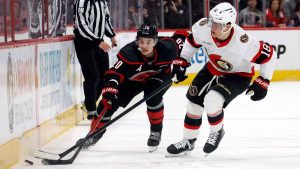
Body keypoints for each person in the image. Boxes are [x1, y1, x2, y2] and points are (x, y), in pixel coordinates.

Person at [166, 2, 277, 157]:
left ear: (228, 25)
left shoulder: (244, 42)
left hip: (238, 76)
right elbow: (192, 41)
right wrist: (182, 60)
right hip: (212, 69)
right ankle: (188, 141)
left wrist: (264, 81)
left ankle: (217, 132)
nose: (212, 27)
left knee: (212, 101)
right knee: (193, 105)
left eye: (217, 24)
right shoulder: (204, 28)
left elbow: (270, 55)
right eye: (212, 21)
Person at [79, 23, 190, 152]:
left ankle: (156, 132)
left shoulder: (168, 47)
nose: (144, 46)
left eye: (148, 42)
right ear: (137, 41)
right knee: (107, 104)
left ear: (155, 42)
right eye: (141, 42)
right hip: (132, 81)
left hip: (159, 77)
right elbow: (114, 72)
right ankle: (94, 134)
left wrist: (181, 65)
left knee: (152, 96)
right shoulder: (128, 53)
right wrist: (111, 88)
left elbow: (183, 35)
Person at [74, 0, 117, 119]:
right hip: (84, 43)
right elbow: (81, 24)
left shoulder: (102, 1)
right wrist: (98, 41)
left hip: (98, 41)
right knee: (92, 76)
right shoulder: (82, 2)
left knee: (105, 76)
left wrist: (112, 35)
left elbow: (105, 19)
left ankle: (88, 103)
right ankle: (91, 110)